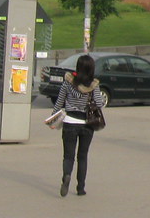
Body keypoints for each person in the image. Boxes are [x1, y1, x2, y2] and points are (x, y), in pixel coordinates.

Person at [52, 53, 105, 197]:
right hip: (87, 124)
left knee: (68, 156)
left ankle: (66, 175)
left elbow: (59, 102)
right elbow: (99, 104)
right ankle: (80, 188)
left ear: (78, 67)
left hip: (70, 122)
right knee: (82, 156)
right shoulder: (94, 86)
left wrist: (53, 118)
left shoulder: (68, 83)